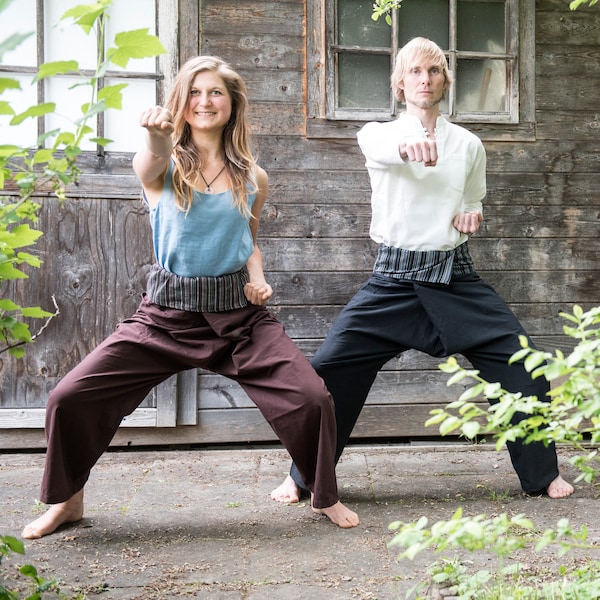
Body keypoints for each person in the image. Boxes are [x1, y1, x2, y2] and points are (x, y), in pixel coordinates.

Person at [22, 56, 360, 540]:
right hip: (164, 316)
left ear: (232, 104)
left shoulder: (253, 178)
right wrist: (156, 133)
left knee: (311, 398)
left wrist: (258, 280)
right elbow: (153, 155)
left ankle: (323, 494)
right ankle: (67, 502)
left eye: (216, 92)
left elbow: (251, 241)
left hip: (239, 318)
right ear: (181, 104)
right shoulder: (162, 169)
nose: (205, 101)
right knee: (70, 397)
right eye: (195, 93)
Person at [271, 37, 574, 505]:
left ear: (444, 81)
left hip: (455, 280)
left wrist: (471, 216)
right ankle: (303, 476)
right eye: (414, 72)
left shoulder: (470, 146)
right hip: (392, 283)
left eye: (433, 71)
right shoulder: (377, 135)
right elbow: (393, 148)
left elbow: (472, 202)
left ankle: (541, 475)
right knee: (328, 370)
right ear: (400, 85)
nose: (425, 79)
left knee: (525, 364)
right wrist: (411, 144)